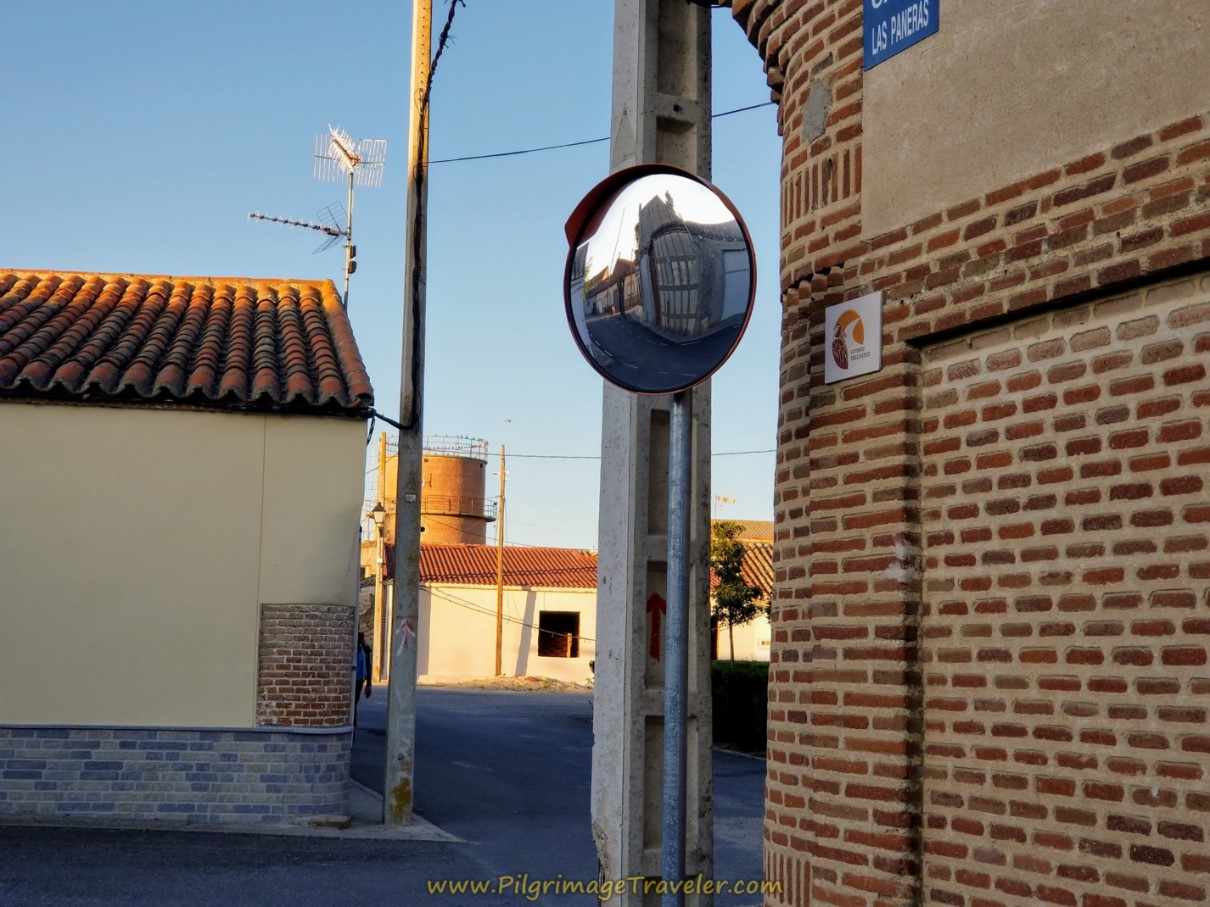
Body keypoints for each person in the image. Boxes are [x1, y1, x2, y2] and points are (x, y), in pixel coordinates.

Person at [354, 632, 372, 722]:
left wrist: (369, 684)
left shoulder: (363, 648)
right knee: (354, 701)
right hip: (359, 678)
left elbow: (368, 666)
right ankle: (353, 722)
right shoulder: (363, 647)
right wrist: (368, 684)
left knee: (354, 701)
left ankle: (353, 722)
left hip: (358, 679)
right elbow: (368, 666)